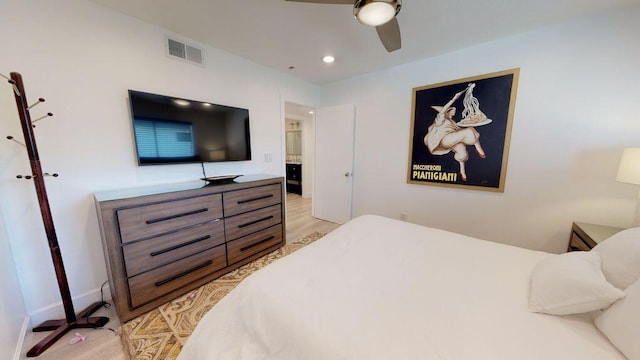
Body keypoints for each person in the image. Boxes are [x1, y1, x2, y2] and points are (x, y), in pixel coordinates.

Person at [424, 87, 486, 182]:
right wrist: (453, 99)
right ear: (447, 112)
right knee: (469, 130)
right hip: (445, 139)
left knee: (462, 150)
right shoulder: (440, 120)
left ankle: (462, 171)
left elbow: (459, 132)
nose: (454, 112)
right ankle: (478, 148)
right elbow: (442, 112)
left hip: (452, 139)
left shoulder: (452, 122)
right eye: (452, 111)